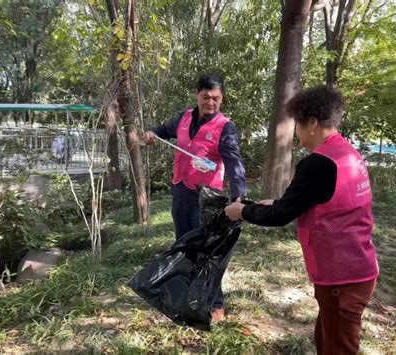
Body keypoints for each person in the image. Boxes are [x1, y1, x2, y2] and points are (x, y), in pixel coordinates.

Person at [224, 86, 379, 354]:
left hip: (340, 276)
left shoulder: (318, 164)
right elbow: (326, 201)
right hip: (358, 268)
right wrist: (274, 203)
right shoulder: (348, 155)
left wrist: (242, 212)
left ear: (312, 123)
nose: (296, 132)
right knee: (328, 339)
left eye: (297, 124)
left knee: (338, 348)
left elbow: (280, 216)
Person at [144, 73, 247, 322]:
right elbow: (163, 130)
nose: (210, 102)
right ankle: (188, 297)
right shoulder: (184, 117)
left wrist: (239, 196)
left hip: (206, 199)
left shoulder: (225, 127)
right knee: (184, 246)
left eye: (216, 98)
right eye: (205, 97)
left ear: (221, 99)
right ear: (196, 95)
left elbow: (234, 164)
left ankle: (216, 303)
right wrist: (152, 133)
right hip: (180, 191)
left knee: (207, 250)